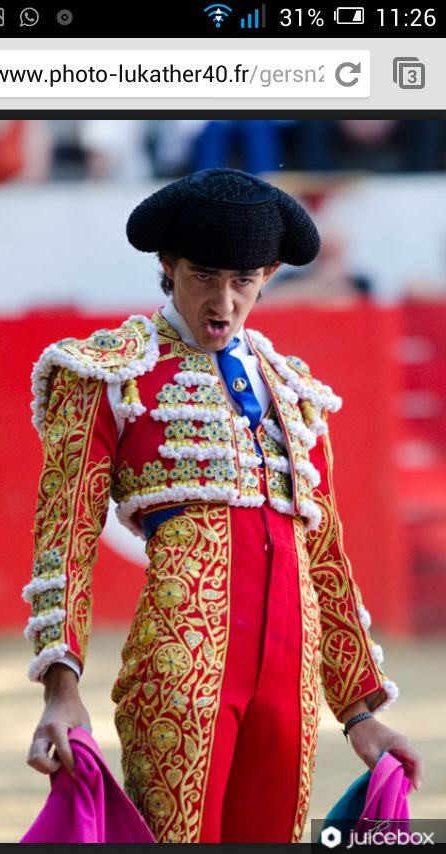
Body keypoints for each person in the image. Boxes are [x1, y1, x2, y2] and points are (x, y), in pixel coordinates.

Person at [23, 167, 424, 844]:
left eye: (243, 280)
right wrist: (61, 690)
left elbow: (324, 557)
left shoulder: (295, 392)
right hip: (184, 666)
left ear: (269, 274)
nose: (224, 300)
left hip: (291, 681)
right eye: (203, 276)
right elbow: (64, 535)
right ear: (168, 264)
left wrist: (361, 715)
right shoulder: (108, 373)